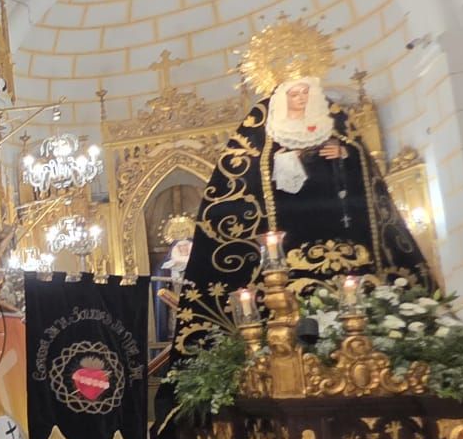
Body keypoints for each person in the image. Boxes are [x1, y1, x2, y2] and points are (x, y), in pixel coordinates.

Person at [173, 19, 431, 356]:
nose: (300, 98)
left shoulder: (333, 117)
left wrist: (345, 153)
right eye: (294, 94)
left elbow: (365, 169)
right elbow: (236, 177)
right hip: (287, 238)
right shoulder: (260, 123)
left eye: (305, 92)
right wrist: (282, 160)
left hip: (343, 230)